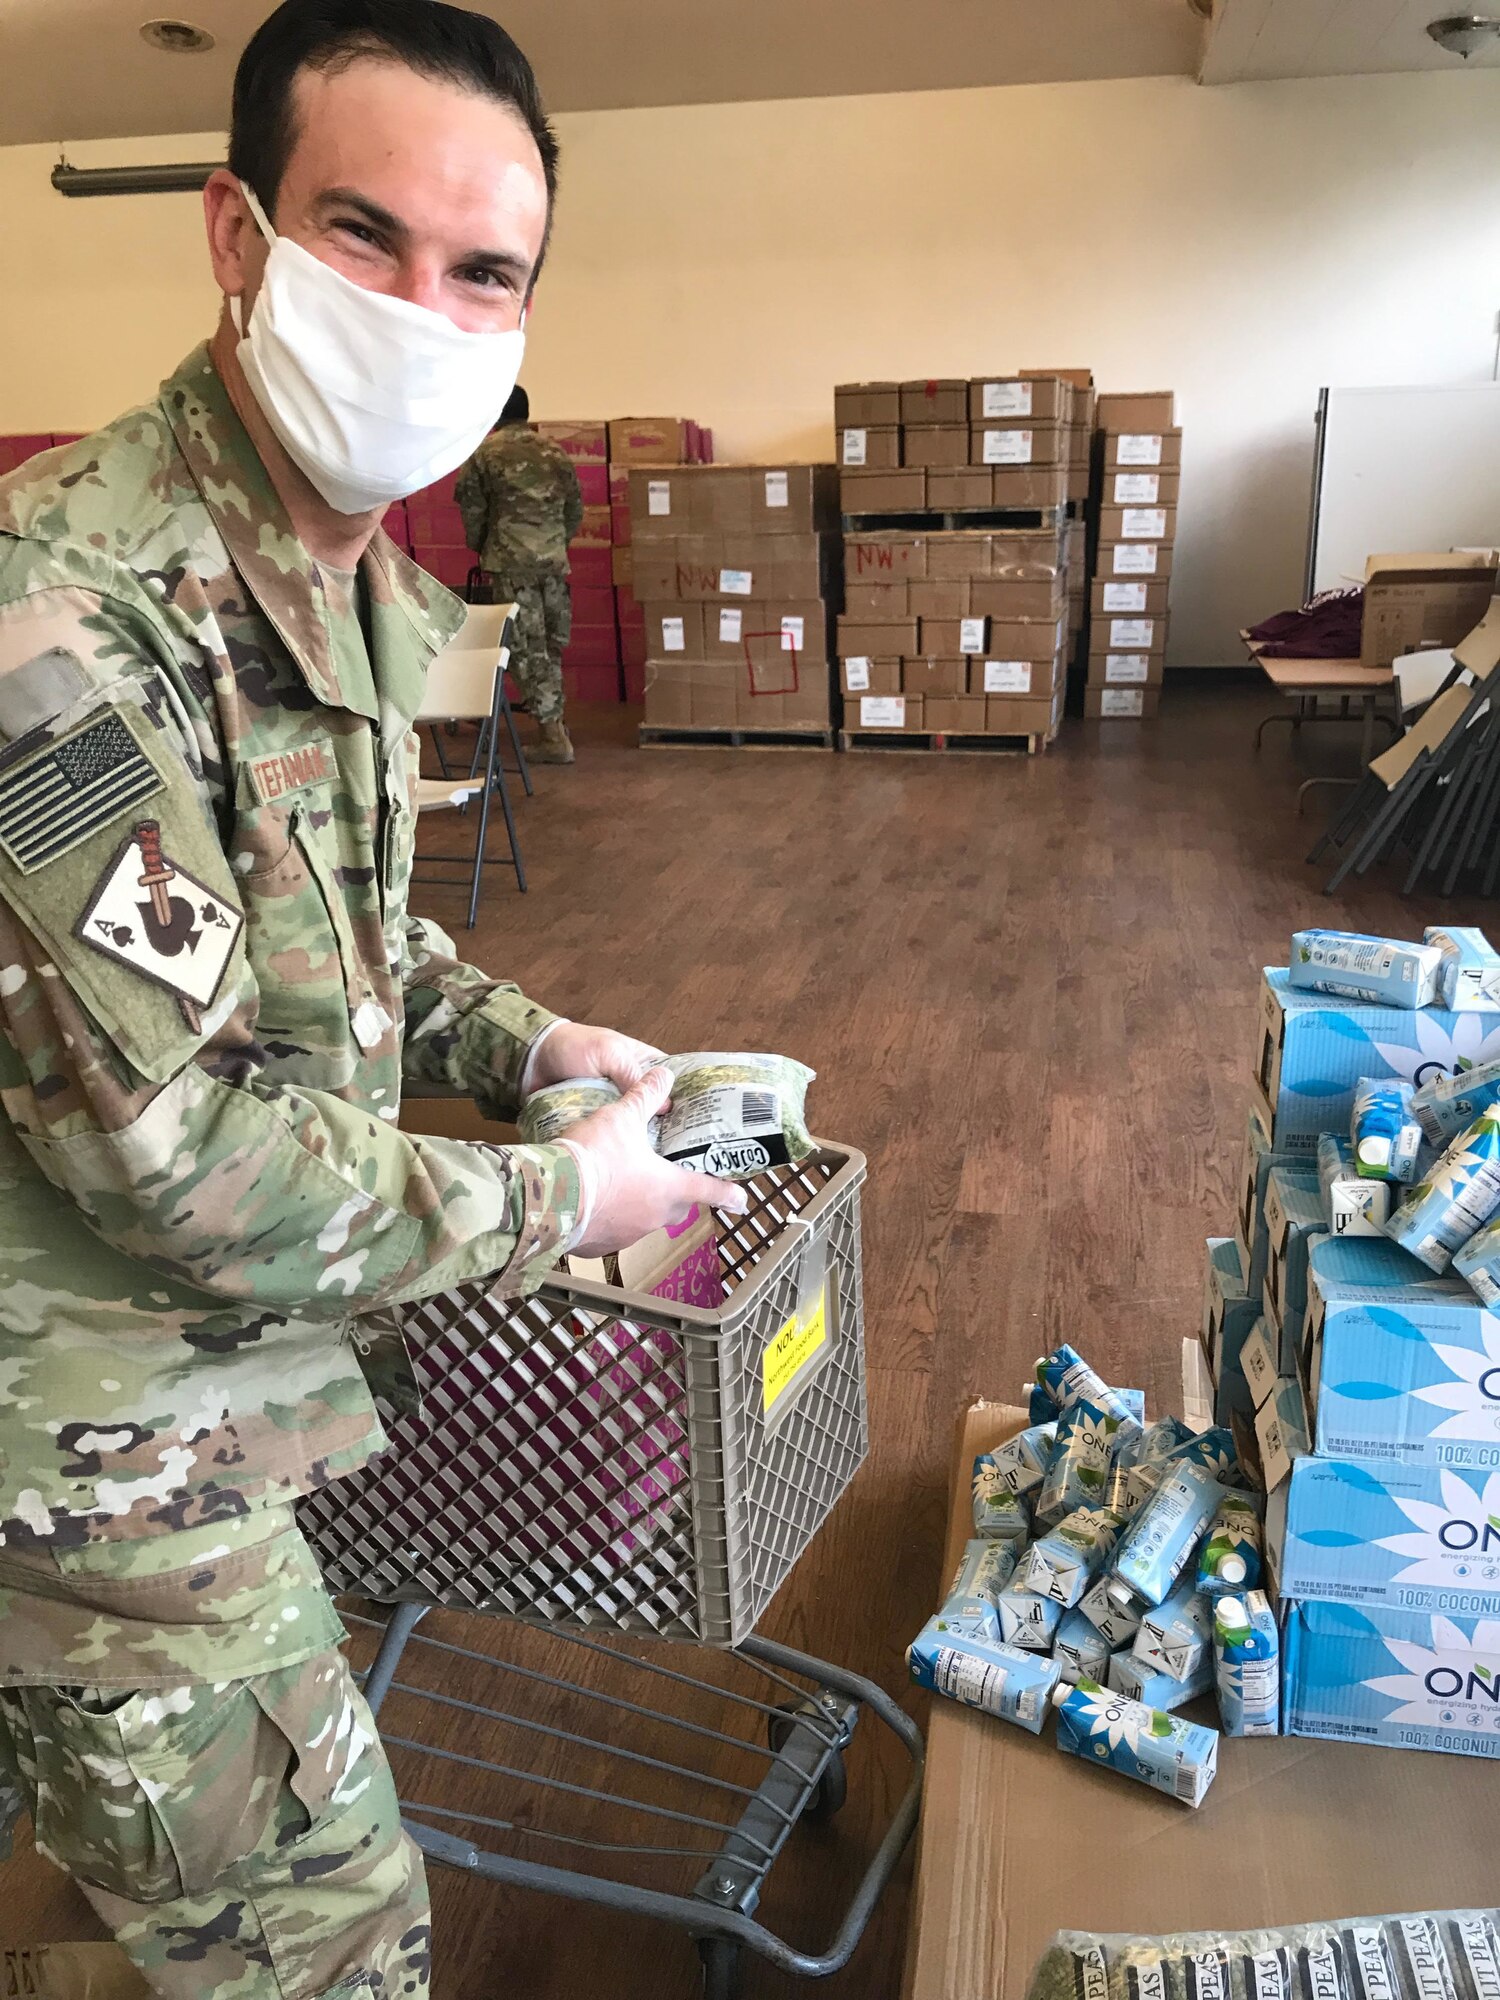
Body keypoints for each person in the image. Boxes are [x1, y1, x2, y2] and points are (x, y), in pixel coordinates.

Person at [0, 3, 744, 1995]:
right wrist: (554, 1202)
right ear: (235, 239)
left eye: (484, 270)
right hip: (92, 1445)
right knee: (332, 1950)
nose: (427, 310)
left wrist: (530, 1046)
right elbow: (184, 1161)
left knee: (206, 1908)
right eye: (364, 237)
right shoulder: (57, 627)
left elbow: (332, 944)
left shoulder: (334, 574)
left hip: (237, 1375)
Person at [455, 385, 582, 765]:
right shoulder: (555, 452)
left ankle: (552, 736)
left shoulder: (485, 454)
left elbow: (473, 512)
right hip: (553, 563)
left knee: (527, 648)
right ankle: (554, 719)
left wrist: (485, 547)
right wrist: (555, 544)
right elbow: (574, 509)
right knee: (552, 642)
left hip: (511, 564)